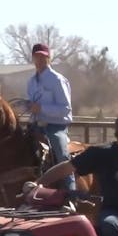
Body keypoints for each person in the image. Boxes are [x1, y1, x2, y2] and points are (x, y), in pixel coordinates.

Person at [27, 42, 75, 190]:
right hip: (36, 125)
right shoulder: (31, 82)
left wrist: (41, 108)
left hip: (56, 127)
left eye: (43, 57)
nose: (40, 60)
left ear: (49, 59)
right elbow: (31, 105)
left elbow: (65, 109)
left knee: (62, 155)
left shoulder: (57, 80)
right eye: (37, 57)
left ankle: (71, 192)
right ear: (33, 58)